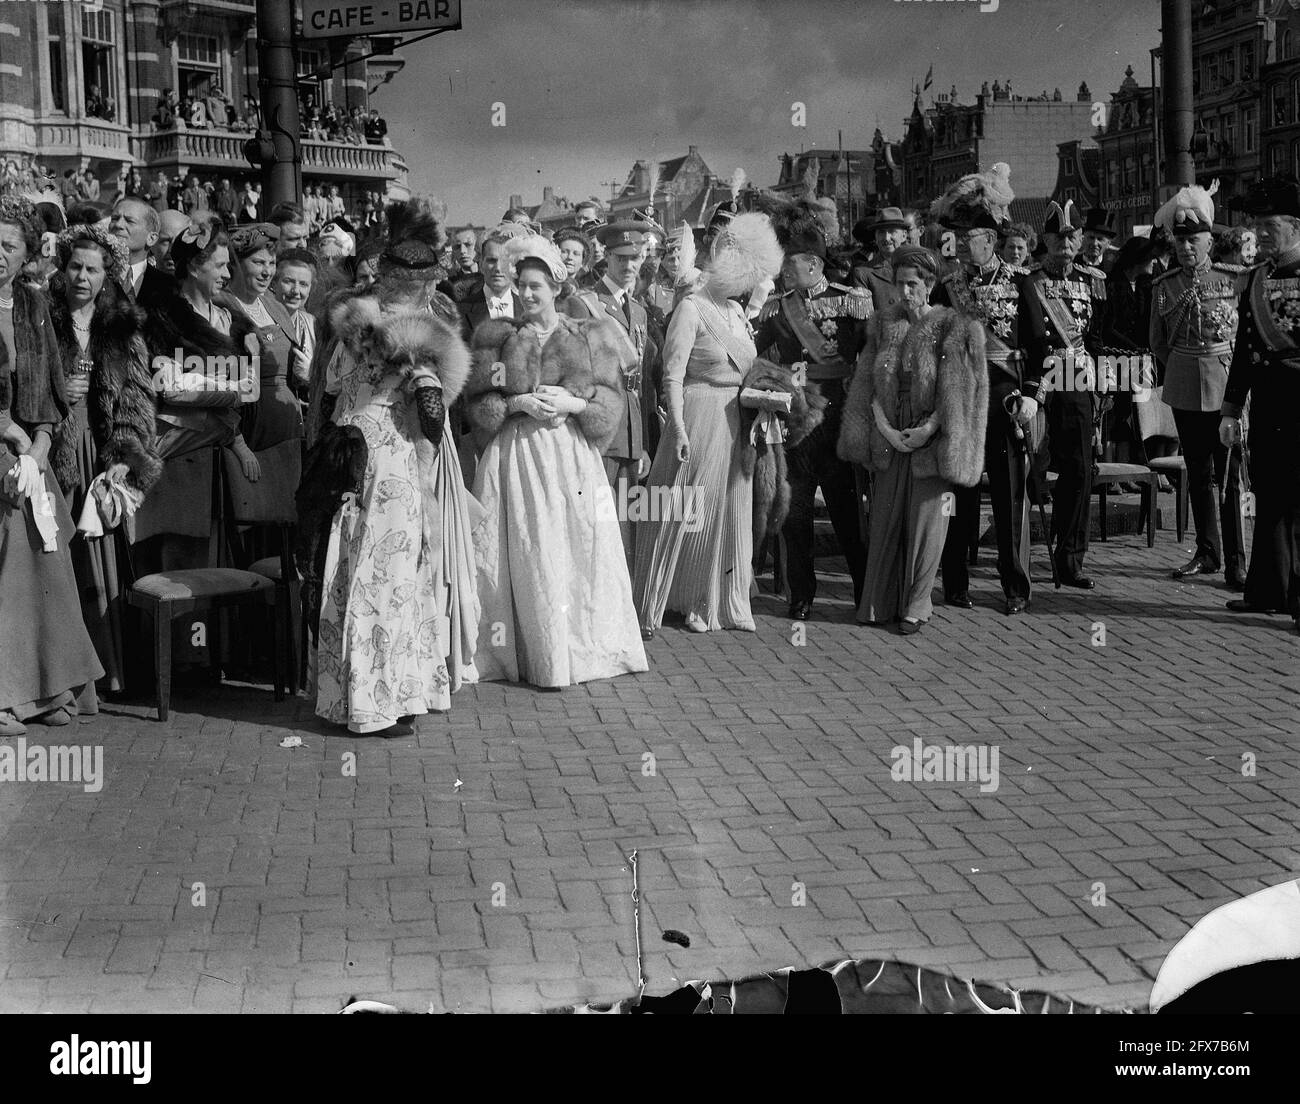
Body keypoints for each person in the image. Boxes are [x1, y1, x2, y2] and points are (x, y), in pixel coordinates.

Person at [311, 199, 479, 734]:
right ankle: (383, 700)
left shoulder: (351, 323)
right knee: (390, 574)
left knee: (350, 568)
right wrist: (432, 399)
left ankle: (351, 696)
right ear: (427, 285)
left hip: (349, 451)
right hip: (392, 464)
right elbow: (432, 414)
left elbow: (331, 388)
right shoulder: (419, 336)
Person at [464, 233, 648, 686]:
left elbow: (610, 400)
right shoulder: (496, 337)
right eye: (521, 285)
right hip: (516, 458)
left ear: (555, 288)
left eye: (535, 287)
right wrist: (515, 405)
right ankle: (528, 652)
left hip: (570, 459)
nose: (526, 295)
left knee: (575, 547)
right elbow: (478, 401)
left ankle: (571, 647)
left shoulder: (588, 335)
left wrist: (575, 404)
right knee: (525, 549)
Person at [633, 213, 784, 637]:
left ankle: (730, 597)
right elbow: (671, 376)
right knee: (694, 510)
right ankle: (693, 600)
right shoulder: (690, 308)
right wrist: (677, 428)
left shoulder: (737, 311)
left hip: (737, 420)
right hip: (698, 413)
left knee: (733, 508)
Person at [839, 245, 988, 634]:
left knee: (927, 523)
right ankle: (879, 604)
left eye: (912, 284)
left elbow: (958, 391)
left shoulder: (952, 327)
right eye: (899, 284)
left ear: (930, 284)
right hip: (891, 432)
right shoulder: (884, 323)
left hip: (931, 434)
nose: (904, 292)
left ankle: (917, 606)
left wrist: (928, 429)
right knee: (886, 520)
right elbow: (868, 383)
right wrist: (886, 429)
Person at [0, 196, 104, 735]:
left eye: (8, 246)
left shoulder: (33, 304)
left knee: (51, 540)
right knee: (16, 540)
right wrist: (9, 432)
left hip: (26, 449)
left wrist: (38, 447)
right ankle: (8, 694)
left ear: (24, 256)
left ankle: (49, 687)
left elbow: (50, 393)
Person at [48, 225, 161, 709]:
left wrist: (124, 457)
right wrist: (57, 394)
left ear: (106, 275)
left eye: (92, 269)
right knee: (57, 561)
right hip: (54, 445)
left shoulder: (121, 326)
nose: (82, 277)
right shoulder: (44, 318)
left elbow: (137, 398)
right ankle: (61, 681)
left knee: (98, 563)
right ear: (63, 267)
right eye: (75, 266)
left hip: (101, 454)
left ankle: (104, 675)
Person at [754, 220, 870, 619]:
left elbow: (870, 358)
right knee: (795, 512)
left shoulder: (851, 302)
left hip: (837, 420)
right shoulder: (777, 307)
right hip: (796, 423)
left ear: (816, 265)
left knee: (848, 514)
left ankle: (865, 595)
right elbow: (753, 353)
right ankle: (800, 596)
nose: (785, 270)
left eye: (792, 263)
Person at [931, 169, 1035, 615]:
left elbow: (1040, 345)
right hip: (961, 399)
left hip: (1006, 398)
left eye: (965, 236)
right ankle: (955, 583)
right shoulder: (947, 285)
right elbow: (932, 341)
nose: (955, 242)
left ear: (989, 240)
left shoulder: (1021, 282)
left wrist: (1031, 394)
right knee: (960, 493)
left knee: (1010, 496)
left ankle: (1015, 587)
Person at [1149, 187, 1251, 588]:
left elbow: (1244, 337)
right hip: (1185, 383)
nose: (1186, 247)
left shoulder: (1235, 279)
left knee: (1230, 476)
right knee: (1198, 471)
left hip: (1225, 381)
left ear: (1210, 240)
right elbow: (1157, 341)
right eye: (1180, 240)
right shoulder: (1165, 284)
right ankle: (1208, 552)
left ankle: (1237, 560)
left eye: (1194, 240)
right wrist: (1181, 367)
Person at [1221, 175, 1300, 632]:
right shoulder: (1253, 280)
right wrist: (1232, 410)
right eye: (1257, 225)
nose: (1260, 234)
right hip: (1268, 405)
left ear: (1293, 225)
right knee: (1269, 497)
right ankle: (1267, 590)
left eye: (1269, 226)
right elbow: (1245, 350)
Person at [1018, 200, 1108, 589]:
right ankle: (1018, 552)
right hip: (1039, 379)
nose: (1066, 244)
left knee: (1079, 469)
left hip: (1075, 380)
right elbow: (1031, 337)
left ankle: (1070, 556)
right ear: (1046, 241)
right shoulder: (1030, 282)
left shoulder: (1093, 281)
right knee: (1028, 469)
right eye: (1058, 238)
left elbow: (1098, 337)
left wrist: (1105, 379)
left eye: (1072, 237)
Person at [564, 221, 661, 549]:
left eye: (635, 258)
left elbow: (643, 385)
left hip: (631, 430)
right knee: (598, 526)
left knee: (627, 526)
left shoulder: (638, 311)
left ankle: (626, 600)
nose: (630, 265)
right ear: (607, 258)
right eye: (621, 258)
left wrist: (644, 441)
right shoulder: (584, 303)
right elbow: (576, 374)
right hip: (601, 429)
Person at [224, 223, 303, 458]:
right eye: (258, 263)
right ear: (235, 264)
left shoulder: (276, 306)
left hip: (289, 430)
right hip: (250, 435)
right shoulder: (222, 308)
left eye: (271, 263)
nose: (267, 272)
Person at [1099, 235, 1161, 470]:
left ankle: (1128, 469)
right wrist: (1134, 348)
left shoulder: (1145, 286)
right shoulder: (1113, 285)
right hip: (1117, 358)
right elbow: (1109, 328)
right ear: (1139, 259)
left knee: (1134, 415)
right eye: (1151, 259)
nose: (1154, 263)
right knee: (1116, 414)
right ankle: (1111, 469)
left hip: (1140, 359)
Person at [110, 197, 173, 310]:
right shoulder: (94, 275)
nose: (118, 225)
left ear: (151, 238)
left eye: (129, 221)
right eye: (114, 218)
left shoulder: (169, 287)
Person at [273, 248, 317, 395]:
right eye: (288, 281)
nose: (296, 291)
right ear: (274, 282)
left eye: (304, 284)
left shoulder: (314, 326)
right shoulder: (259, 321)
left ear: (310, 288)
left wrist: (311, 375)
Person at [850, 207, 908, 313]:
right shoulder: (863, 273)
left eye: (892, 231)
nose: (886, 238)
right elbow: (864, 322)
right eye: (881, 232)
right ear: (875, 237)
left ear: (904, 235)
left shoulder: (917, 266)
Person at [1081, 209, 1118, 273]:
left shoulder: (1114, 268)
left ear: (1108, 243)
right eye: (1091, 238)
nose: (1095, 243)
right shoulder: (1071, 264)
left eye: (1100, 239)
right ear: (1083, 239)